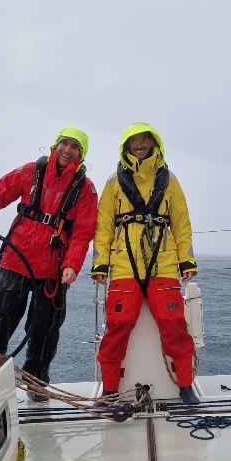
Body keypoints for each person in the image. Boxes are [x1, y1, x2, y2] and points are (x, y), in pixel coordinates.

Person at [0, 126, 98, 401]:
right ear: (54, 145)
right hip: (16, 260)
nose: (68, 150)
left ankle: (36, 385)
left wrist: (72, 265)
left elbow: (83, 232)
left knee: (44, 332)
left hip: (53, 270)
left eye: (75, 147)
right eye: (65, 143)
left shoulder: (86, 189)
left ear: (81, 155)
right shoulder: (30, 172)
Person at [91, 122, 200, 405]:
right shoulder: (114, 181)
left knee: (174, 324)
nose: (139, 144)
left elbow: (181, 222)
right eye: (134, 140)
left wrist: (186, 259)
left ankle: (186, 387)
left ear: (154, 143)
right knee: (117, 326)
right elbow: (103, 226)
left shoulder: (170, 180)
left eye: (144, 140)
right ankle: (110, 390)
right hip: (124, 264)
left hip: (163, 262)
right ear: (126, 146)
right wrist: (101, 263)